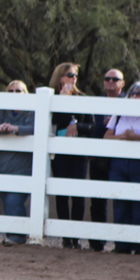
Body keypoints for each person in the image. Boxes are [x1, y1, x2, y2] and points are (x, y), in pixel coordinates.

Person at [104, 82, 140, 255]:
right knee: (120, 202)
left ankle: (138, 246)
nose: (136, 97)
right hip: (120, 163)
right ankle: (121, 245)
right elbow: (107, 135)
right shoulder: (120, 113)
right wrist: (123, 136)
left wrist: (135, 137)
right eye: (133, 94)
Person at [48, 63, 94, 249]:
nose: (73, 78)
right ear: (60, 78)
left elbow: (91, 126)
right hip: (60, 152)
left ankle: (75, 235)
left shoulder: (83, 98)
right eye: (69, 75)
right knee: (61, 193)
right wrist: (63, 102)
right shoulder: (51, 98)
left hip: (78, 153)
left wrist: (78, 127)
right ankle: (65, 236)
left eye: (75, 75)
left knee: (78, 195)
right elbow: (53, 123)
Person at [0, 81, 36, 246]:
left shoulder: (31, 111)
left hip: (23, 167)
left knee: (14, 201)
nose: (14, 93)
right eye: (11, 91)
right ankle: (12, 236)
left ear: (25, 93)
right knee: (6, 202)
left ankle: (19, 236)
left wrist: (15, 128)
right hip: (2, 165)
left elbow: (33, 128)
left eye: (19, 91)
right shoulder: (3, 110)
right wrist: (0, 128)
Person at [88, 69, 126, 251]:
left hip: (121, 157)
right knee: (97, 199)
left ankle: (125, 243)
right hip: (98, 156)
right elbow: (89, 126)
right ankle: (97, 242)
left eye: (115, 79)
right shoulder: (96, 102)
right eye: (107, 79)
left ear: (122, 83)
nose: (110, 81)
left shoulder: (130, 102)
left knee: (123, 198)